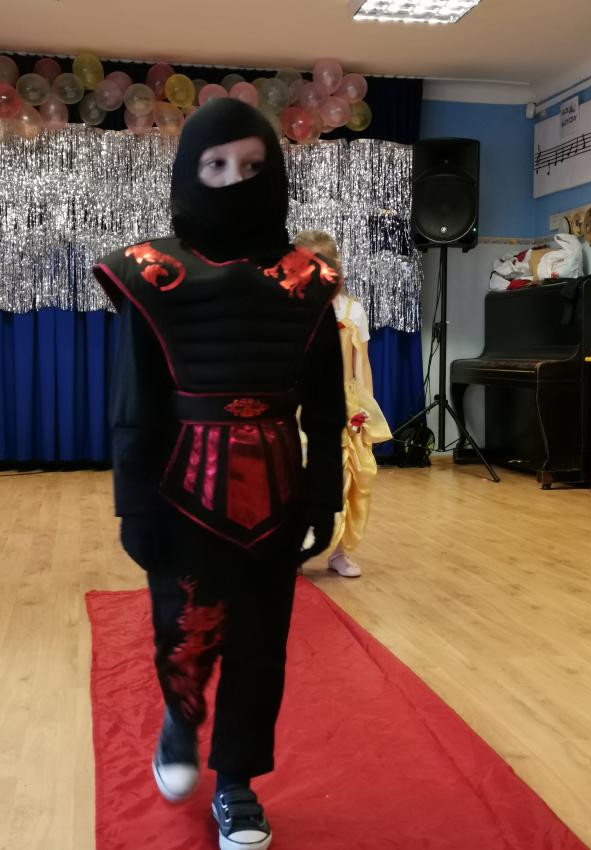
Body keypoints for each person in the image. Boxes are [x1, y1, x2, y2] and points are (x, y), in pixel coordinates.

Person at [92, 99, 345, 850]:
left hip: (277, 495)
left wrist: (324, 493)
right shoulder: (151, 274)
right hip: (181, 494)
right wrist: (134, 505)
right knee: (184, 630)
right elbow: (134, 405)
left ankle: (236, 782)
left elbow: (326, 405)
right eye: (217, 165)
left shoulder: (308, 282)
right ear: (189, 171)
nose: (236, 180)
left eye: (253, 166)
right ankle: (180, 720)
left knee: (261, 648)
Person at [294, 230, 392, 579]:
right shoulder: (292, 308)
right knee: (300, 476)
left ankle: (339, 551)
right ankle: (297, 548)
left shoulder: (352, 310)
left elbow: (361, 363)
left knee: (351, 478)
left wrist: (367, 409)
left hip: (343, 403)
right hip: (301, 402)